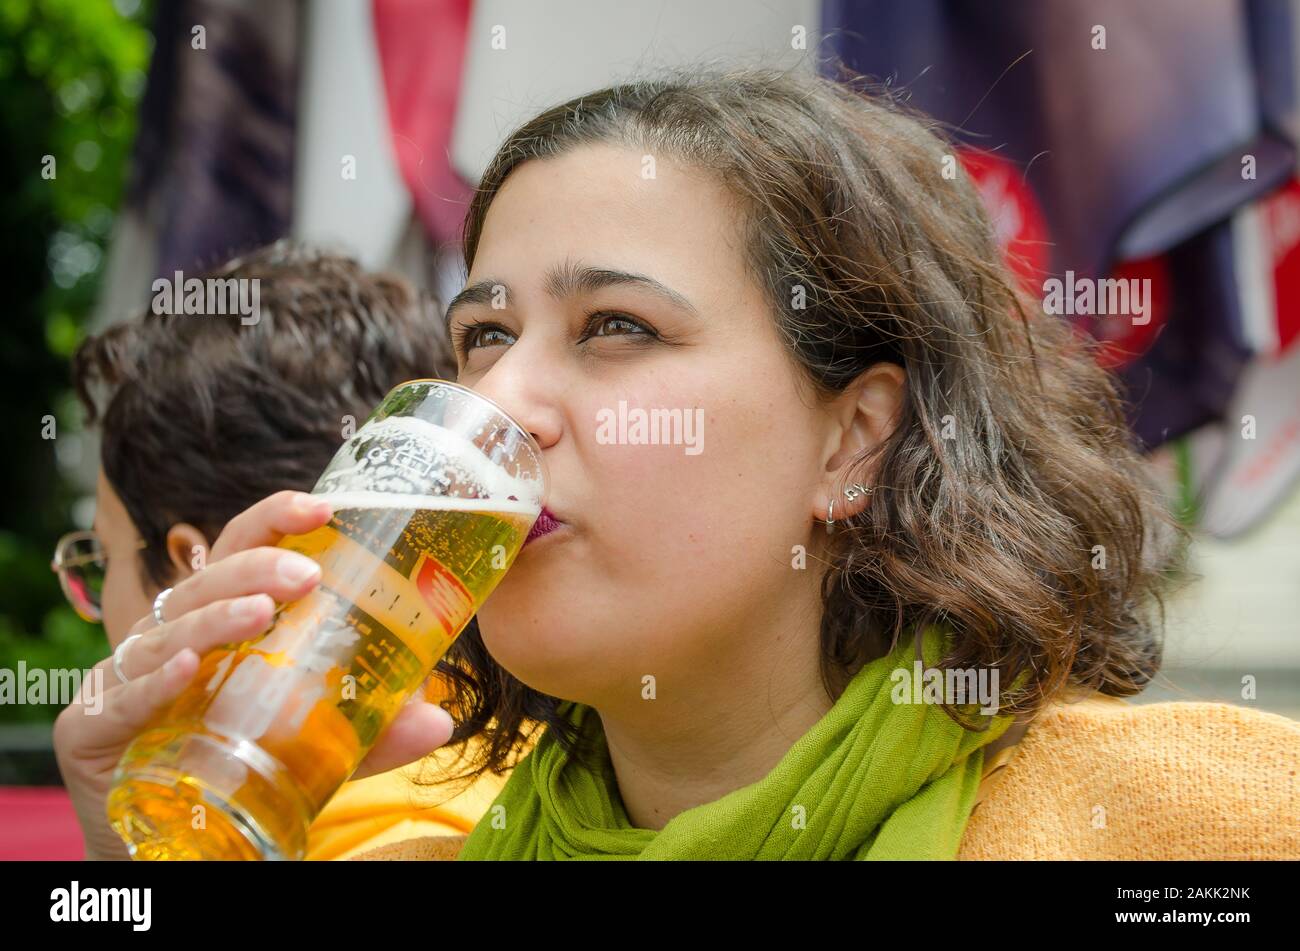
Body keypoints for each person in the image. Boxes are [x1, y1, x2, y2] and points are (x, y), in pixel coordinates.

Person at [56, 64, 1300, 861]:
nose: (501, 402)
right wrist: (125, 865)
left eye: (616, 328)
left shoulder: (1194, 830)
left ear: (853, 437)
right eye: (483, 336)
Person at [55, 242, 520, 860]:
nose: (96, 610)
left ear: (191, 562)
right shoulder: (536, 767)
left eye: (104, 560)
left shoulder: (373, 838)